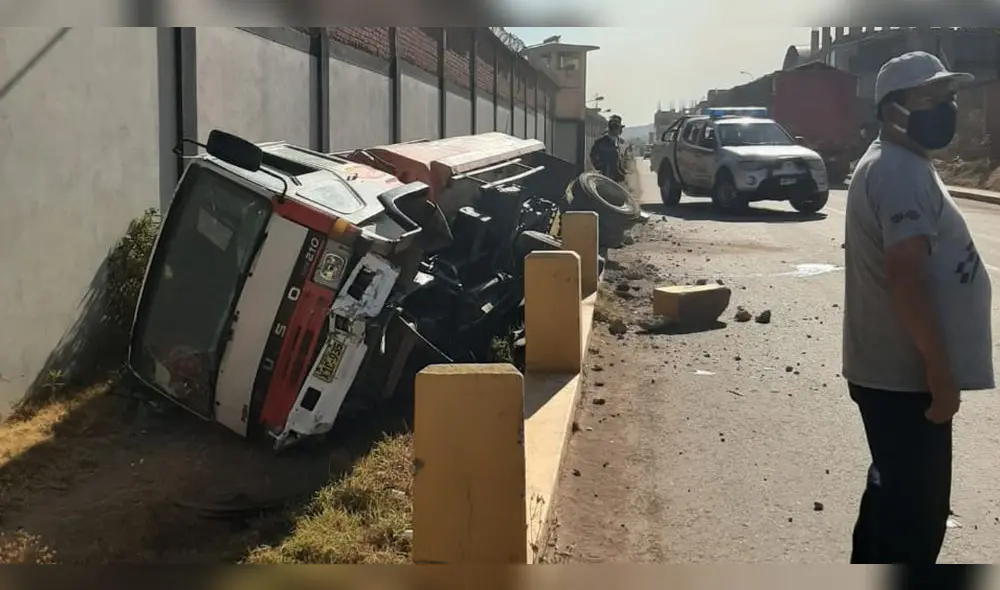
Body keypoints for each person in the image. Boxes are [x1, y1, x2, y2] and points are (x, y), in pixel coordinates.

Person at [843, 50, 994, 564]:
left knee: (892, 501)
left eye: (948, 98)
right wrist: (940, 372)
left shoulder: (903, 164)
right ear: (893, 109)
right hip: (905, 380)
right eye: (931, 99)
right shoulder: (897, 171)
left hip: (897, 378)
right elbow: (905, 275)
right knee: (915, 520)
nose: (945, 109)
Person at [589, 114, 627, 181]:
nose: (620, 131)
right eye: (618, 128)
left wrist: (621, 170)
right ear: (614, 129)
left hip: (614, 176)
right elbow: (593, 155)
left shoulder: (616, 140)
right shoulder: (602, 141)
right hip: (605, 175)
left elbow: (617, 159)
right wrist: (599, 165)